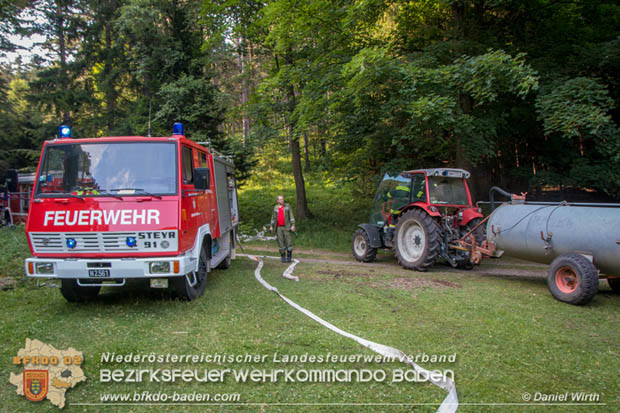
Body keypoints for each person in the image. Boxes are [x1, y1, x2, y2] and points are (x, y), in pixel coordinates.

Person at [270, 195, 296, 263]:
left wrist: (293, 225)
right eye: (280, 199)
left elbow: (291, 216)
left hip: (286, 227)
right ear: (277, 201)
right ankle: (283, 256)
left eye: (282, 199)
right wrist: (271, 226)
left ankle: (289, 256)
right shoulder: (275, 207)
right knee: (280, 242)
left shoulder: (287, 206)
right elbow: (273, 218)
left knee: (288, 242)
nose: (281, 200)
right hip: (278, 228)